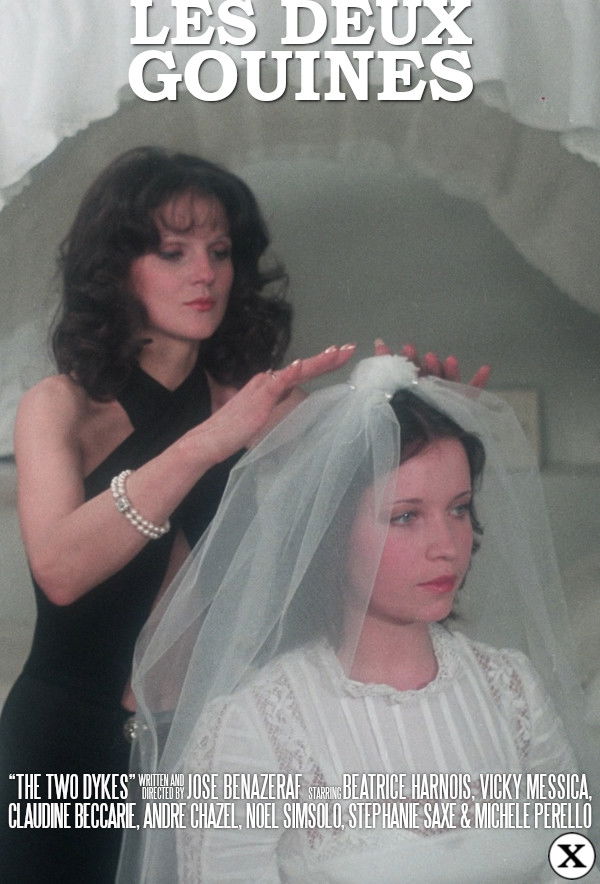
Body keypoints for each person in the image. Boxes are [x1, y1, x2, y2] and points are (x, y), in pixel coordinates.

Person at [0, 146, 357, 883]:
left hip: (205, 748)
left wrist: (425, 419)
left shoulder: (262, 404)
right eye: (174, 252)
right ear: (117, 269)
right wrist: (209, 442)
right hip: (59, 747)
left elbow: (364, 511)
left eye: (220, 252)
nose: (205, 274)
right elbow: (60, 570)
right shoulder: (59, 407)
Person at [125, 355, 598, 883]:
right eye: (406, 516)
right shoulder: (253, 727)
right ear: (330, 532)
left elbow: (576, 864)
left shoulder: (513, 692)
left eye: (459, 509)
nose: (446, 545)